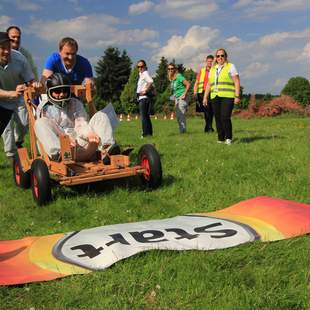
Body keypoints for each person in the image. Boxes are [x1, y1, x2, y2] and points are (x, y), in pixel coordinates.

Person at [35, 73, 117, 162]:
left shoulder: (75, 103)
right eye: (57, 91)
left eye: (65, 90)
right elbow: (52, 127)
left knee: (101, 115)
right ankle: (59, 155)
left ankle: (107, 149)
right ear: (49, 92)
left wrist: (89, 134)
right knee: (40, 123)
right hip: (61, 147)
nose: (62, 94)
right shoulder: (43, 107)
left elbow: (81, 123)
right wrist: (66, 140)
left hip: (81, 145)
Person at [0, 32, 39, 158]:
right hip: (2, 99)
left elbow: (31, 80)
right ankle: (12, 156)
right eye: (2, 48)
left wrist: (33, 85)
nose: (6, 51)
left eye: (8, 47)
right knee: (7, 128)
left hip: (19, 97)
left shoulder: (20, 58)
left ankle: (18, 140)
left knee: (24, 124)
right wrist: (11, 94)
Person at [203, 48, 240, 145]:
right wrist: (205, 97)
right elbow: (209, 84)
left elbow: (236, 81)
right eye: (218, 56)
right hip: (215, 96)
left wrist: (237, 96)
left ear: (226, 57)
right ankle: (220, 138)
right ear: (216, 57)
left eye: (222, 55)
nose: (220, 58)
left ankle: (228, 138)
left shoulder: (231, 66)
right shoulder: (212, 69)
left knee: (225, 117)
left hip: (228, 96)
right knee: (218, 118)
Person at [193, 55, 214, 133]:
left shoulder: (215, 70)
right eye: (208, 61)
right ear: (206, 62)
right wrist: (195, 92)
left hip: (212, 92)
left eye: (211, 61)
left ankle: (208, 127)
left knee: (211, 111)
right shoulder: (202, 70)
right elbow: (196, 82)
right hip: (202, 93)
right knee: (206, 111)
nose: (209, 63)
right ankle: (209, 127)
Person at [167, 63, 190, 133]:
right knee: (178, 115)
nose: (170, 70)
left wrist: (184, 94)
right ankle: (182, 131)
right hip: (177, 98)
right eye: (169, 69)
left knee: (181, 115)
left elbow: (188, 84)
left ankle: (183, 131)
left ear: (175, 69)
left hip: (183, 97)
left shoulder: (179, 76)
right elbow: (175, 91)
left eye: (172, 68)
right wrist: (175, 101)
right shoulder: (172, 79)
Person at [136, 59, 154, 138]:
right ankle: (149, 134)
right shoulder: (141, 74)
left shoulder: (145, 74)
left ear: (145, 66)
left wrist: (145, 90)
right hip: (143, 98)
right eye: (138, 66)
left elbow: (151, 81)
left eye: (141, 66)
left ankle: (145, 134)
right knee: (146, 117)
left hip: (143, 98)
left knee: (143, 117)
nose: (140, 68)